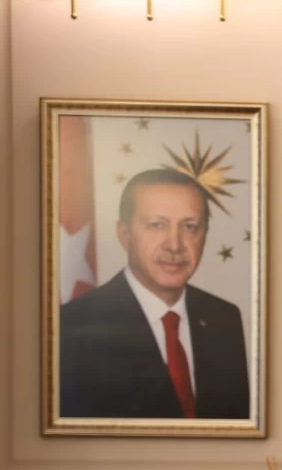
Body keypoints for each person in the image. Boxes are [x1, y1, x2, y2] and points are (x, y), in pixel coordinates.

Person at [59, 169, 250, 420]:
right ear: (124, 234)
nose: (175, 245)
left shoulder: (223, 319)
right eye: (157, 225)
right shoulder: (74, 327)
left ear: (204, 235)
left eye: (190, 227)